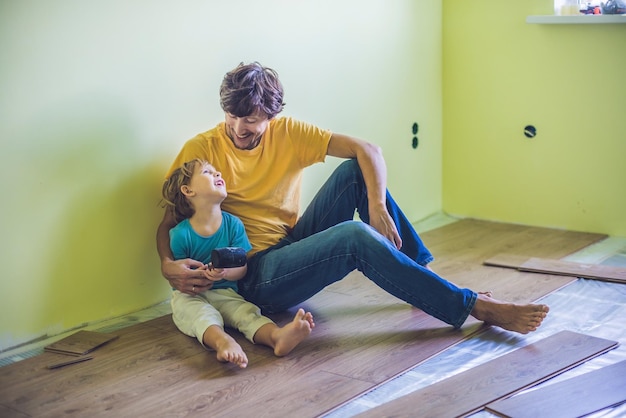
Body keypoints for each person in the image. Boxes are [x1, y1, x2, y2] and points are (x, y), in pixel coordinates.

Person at [157, 62, 549, 336]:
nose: (240, 128)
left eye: (253, 119)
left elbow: (369, 150)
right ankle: (471, 306)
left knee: (354, 172)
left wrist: (376, 205)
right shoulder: (202, 150)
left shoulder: (289, 132)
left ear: (272, 115)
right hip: (255, 274)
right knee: (353, 236)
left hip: (292, 244)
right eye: (232, 116)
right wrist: (166, 264)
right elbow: (169, 218)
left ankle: (426, 283)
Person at [161, 158, 315, 368]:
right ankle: (223, 341)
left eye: (217, 172)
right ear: (188, 191)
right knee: (200, 315)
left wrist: (224, 273)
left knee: (247, 313)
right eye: (207, 172)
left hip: (227, 293)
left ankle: (277, 336)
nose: (217, 174)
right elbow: (181, 277)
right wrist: (200, 275)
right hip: (191, 296)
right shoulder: (180, 234)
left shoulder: (233, 225)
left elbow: (242, 268)